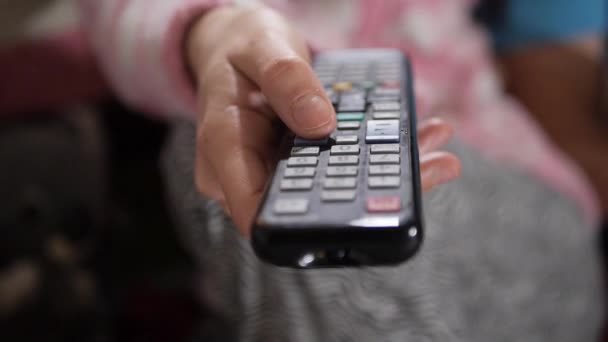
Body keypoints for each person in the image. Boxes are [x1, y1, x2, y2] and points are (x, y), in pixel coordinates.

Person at [2, 0, 606, 340]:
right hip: (283, 237)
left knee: (320, 181)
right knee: (240, 141)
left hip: (505, 190)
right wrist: (212, 33)